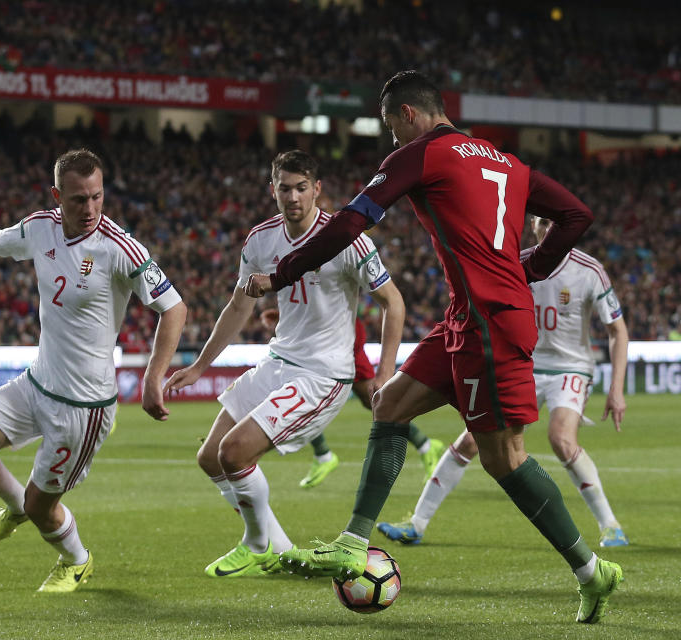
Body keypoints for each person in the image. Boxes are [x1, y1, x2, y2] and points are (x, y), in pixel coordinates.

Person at [243, 71, 622, 623]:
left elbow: (352, 219)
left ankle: (592, 570)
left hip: (490, 324)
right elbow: (576, 215)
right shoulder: (504, 160)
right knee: (390, 403)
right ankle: (353, 540)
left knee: (505, 459)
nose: (392, 140)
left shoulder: (421, 155)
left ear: (409, 115)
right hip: (467, 318)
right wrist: (531, 267)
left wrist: (281, 274)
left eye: (391, 127)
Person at [0, 149, 186, 593]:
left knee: (46, 509)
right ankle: (16, 505)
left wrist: (154, 376)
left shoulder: (120, 248)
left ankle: (76, 559)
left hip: (83, 408)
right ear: (58, 196)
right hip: (37, 384)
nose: (91, 209)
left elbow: (174, 309)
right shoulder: (41, 227)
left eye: (98, 197)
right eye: (79, 199)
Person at [163, 150, 409, 577]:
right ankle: (276, 546)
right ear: (271, 190)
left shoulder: (349, 238)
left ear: (317, 189)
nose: (292, 196)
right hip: (279, 360)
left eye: (301, 187)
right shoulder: (261, 240)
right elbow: (238, 307)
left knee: (234, 452)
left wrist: (384, 374)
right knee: (209, 457)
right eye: (284, 188)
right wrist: (201, 365)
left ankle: (257, 544)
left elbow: (393, 303)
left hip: (323, 373)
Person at [377, 215, 630, 547]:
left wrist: (616, 389)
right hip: (523, 363)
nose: (545, 227)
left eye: (552, 221)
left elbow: (617, 331)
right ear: (533, 227)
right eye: (539, 221)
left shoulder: (589, 270)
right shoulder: (517, 263)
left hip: (570, 369)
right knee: (471, 439)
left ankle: (610, 525)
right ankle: (417, 523)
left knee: (561, 439)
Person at [260, 306, 444, 489]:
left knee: (367, 398)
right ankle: (425, 445)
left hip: (338, 335)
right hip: (322, 333)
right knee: (370, 400)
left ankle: (324, 455)